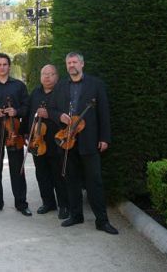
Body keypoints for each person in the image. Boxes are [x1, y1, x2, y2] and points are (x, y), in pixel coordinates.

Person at [49, 52, 118, 235]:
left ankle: (102, 221)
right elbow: (52, 109)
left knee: (94, 181)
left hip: (89, 140)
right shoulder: (61, 86)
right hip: (67, 141)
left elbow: (104, 113)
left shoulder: (96, 85)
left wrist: (105, 138)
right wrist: (59, 116)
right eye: (68, 62)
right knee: (71, 180)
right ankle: (76, 215)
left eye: (75, 62)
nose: (71, 65)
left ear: (82, 64)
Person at [0, 53, 31, 216]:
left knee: (17, 167)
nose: (2, 67)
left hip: (14, 129)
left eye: (5, 64)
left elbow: (27, 107)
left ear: (9, 67)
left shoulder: (19, 86)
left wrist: (16, 111)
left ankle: (21, 203)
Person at [24, 64, 69, 219]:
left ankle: (64, 205)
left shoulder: (62, 93)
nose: (47, 77)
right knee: (41, 173)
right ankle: (48, 202)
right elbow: (29, 112)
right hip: (37, 141)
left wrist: (49, 114)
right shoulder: (35, 93)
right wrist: (26, 133)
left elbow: (66, 117)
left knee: (58, 175)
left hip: (56, 141)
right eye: (44, 74)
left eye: (51, 74)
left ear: (56, 76)